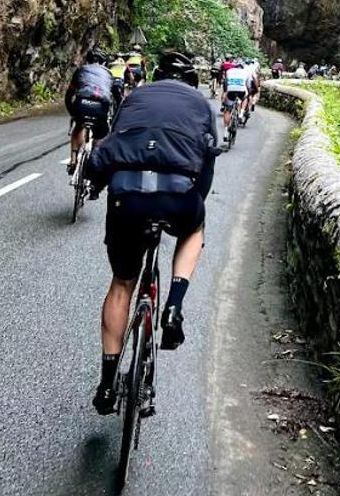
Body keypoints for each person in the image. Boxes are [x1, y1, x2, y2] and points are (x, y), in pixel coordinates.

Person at [85, 51, 219, 415]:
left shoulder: (134, 97)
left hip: (127, 198)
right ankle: (174, 305)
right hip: (178, 194)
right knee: (194, 228)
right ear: (192, 81)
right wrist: (195, 204)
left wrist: (98, 185)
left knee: (121, 284)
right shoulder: (202, 104)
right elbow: (208, 158)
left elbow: (110, 145)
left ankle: (107, 385)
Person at [65, 49, 114, 175]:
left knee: (79, 126)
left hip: (82, 103)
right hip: (101, 106)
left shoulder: (81, 70)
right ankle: (96, 160)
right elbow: (116, 97)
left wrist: (73, 113)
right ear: (104, 63)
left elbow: (69, 95)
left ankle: (73, 160)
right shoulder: (109, 73)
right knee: (101, 134)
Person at [222, 59, 252, 142]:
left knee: (227, 110)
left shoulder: (229, 71)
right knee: (245, 97)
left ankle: (225, 132)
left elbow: (225, 82)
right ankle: (241, 113)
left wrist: (225, 93)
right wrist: (249, 92)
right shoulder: (246, 72)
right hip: (241, 91)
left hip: (231, 91)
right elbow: (249, 85)